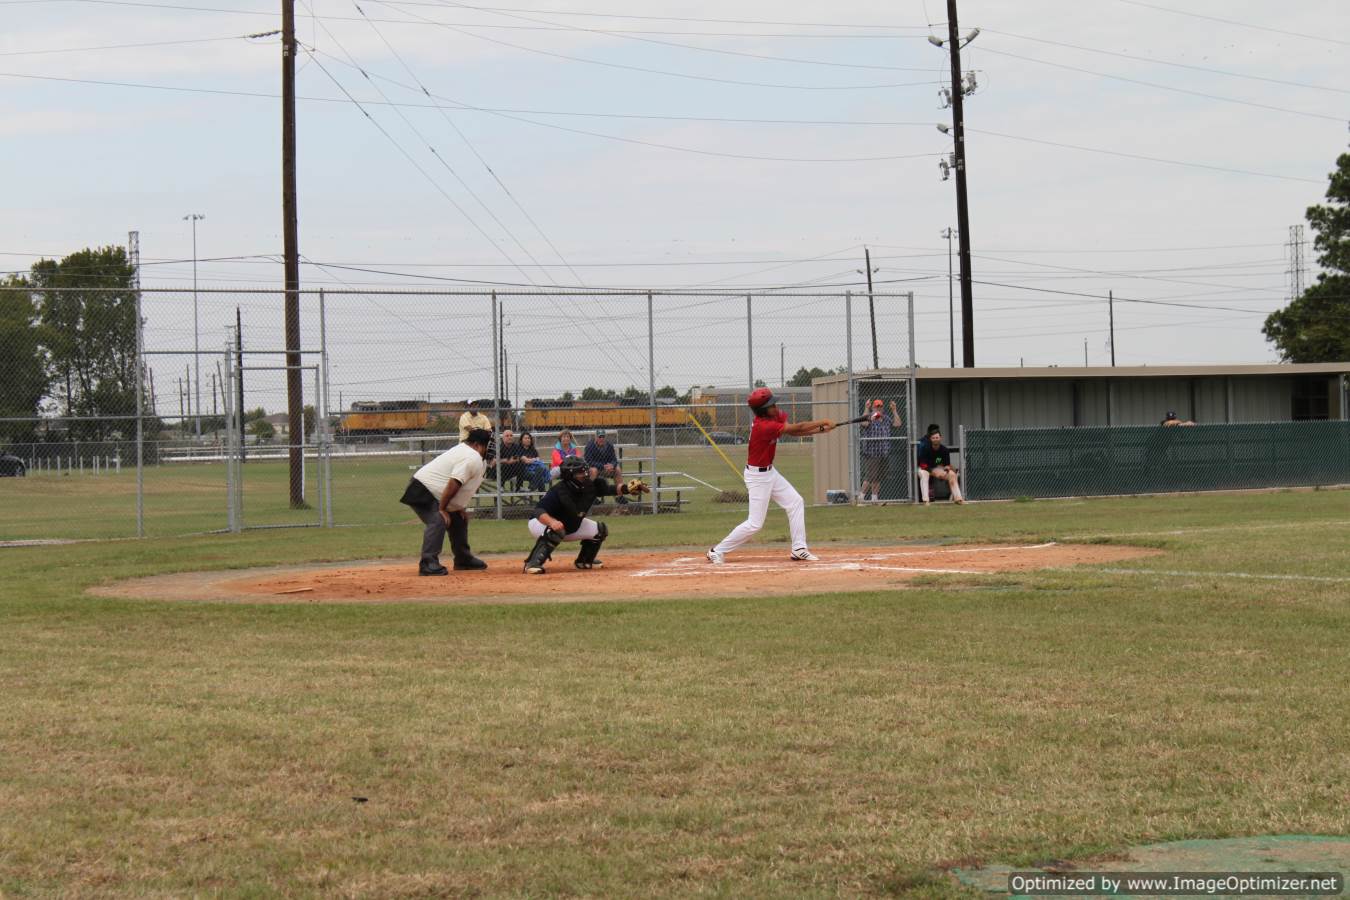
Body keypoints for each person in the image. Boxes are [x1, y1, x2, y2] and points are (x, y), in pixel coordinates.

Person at [707, 388, 835, 565]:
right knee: (755, 524)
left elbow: (794, 431)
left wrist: (821, 430)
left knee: (795, 502)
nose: (775, 407)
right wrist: (823, 422)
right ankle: (716, 550)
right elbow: (797, 427)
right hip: (757, 477)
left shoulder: (774, 416)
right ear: (762, 410)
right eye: (771, 405)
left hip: (770, 472)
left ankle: (799, 548)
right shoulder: (763, 426)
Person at [523, 456, 649, 574]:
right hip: (540, 523)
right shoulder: (559, 491)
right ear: (570, 475)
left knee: (600, 530)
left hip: (570, 524)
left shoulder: (590, 485)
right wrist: (552, 522)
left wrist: (628, 488)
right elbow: (538, 511)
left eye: (585, 471)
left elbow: (612, 489)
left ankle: (584, 561)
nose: (585, 474)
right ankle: (532, 563)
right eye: (580, 472)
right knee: (558, 529)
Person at [398, 427, 491, 575]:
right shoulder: (471, 456)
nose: (489, 449)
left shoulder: (476, 458)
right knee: (438, 519)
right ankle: (428, 563)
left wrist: (458, 506)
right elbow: (454, 483)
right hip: (423, 489)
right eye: (486, 445)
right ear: (475, 444)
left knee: (459, 519)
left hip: (435, 492)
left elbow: (463, 486)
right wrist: (442, 509)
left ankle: (463, 559)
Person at [859, 398, 902, 502]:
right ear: (873, 407)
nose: (878, 408)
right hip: (872, 453)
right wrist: (866, 408)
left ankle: (875, 498)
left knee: (878, 477)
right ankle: (860, 497)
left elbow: (897, 424)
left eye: (880, 406)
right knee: (870, 477)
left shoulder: (886, 418)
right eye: (876, 406)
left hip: (884, 452)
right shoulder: (869, 417)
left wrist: (894, 410)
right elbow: (863, 424)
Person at [917, 424, 964, 505]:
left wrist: (946, 470)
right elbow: (922, 464)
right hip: (923, 468)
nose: (935, 439)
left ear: (940, 438)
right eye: (933, 438)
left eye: (937, 437)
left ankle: (958, 499)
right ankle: (926, 500)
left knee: (952, 474)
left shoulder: (944, 450)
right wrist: (933, 472)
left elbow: (946, 464)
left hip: (935, 468)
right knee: (925, 475)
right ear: (930, 439)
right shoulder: (925, 448)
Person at [583, 429, 626, 503]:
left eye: (603, 437)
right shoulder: (589, 446)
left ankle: (620, 496)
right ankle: (590, 497)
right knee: (594, 470)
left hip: (606, 469)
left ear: (605, 437)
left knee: (617, 470)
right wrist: (603, 466)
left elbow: (614, 459)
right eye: (599, 437)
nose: (601, 439)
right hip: (594, 469)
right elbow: (589, 462)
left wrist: (612, 465)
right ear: (596, 437)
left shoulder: (609, 445)